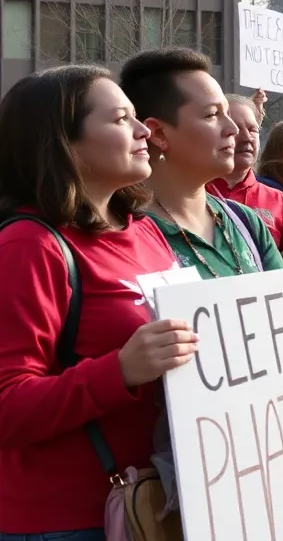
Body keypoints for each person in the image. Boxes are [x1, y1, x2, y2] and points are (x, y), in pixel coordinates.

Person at [0, 66, 199, 540]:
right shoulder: (29, 245)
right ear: (65, 144)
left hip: (157, 500)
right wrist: (121, 370)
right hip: (69, 520)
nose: (142, 130)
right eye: (120, 119)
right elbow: (7, 404)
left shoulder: (146, 230)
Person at [119, 49, 283, 279]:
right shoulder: (118, 233)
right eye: (211, 115)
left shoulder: (245, 223)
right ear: (158, 132)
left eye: (226, 113)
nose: (233, 129)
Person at [207, 96, 283, 266]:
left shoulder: (280, 201)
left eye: (253, 129)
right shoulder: (189, 193)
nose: (247, 137)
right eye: (236, 129)